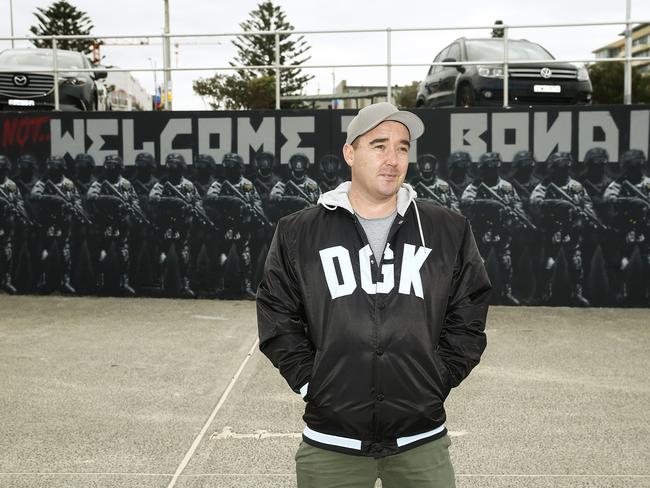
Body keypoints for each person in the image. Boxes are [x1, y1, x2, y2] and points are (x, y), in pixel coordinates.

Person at [257, 102, 492, 488]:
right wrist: (311, 383)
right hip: (332, 441)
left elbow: (469, 311)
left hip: (421, 440)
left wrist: (440, 377)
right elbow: (276, 315)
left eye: (402, 147)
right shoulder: (298, 231)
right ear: (350, 153)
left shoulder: (447, 229)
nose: (393, 159)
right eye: (379, 145)